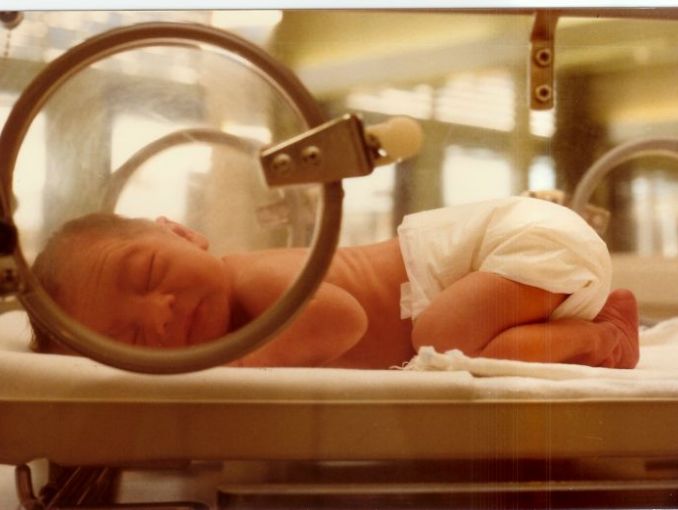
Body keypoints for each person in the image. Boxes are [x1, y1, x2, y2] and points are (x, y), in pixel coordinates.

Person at [29, 196, 640, 369]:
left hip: (520, 238)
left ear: (184, 234)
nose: (159, 314)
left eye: (148, 273)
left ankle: (601, 339)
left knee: (442, 339)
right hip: (522, 275)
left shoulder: (250, 277)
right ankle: (590, 327)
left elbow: (340, 317)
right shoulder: (223, 319)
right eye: (132, 338)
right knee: (467, 355)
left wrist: (241, 367)